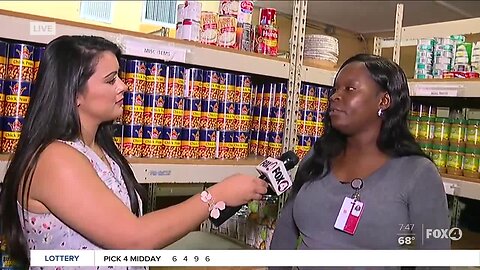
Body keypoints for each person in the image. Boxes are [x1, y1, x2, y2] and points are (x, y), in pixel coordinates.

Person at [0, 35, 268, 268]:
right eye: (110, 80)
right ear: (75, 94)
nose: (123, 87)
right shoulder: (56, 159)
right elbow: (134, 238)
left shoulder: (100, 150)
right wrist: (216, 196)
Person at [270, 54, 450, 268]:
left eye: (350, 89)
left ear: (383, 101)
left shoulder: (418, 173)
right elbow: (284, 235)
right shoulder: (317, 156)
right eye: (335, 89)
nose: (335, 96)